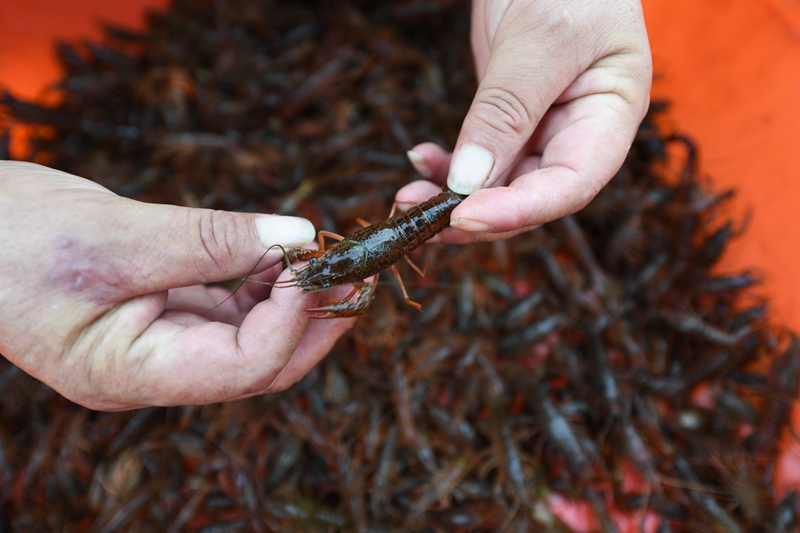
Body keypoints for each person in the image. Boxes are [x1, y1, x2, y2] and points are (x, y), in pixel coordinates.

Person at [0, 0, 651, 410]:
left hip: (407, 222)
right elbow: (363, 283)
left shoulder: (365, 258)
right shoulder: (354, 259)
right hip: (393, 232)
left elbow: (366, 286)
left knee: (380, 266)